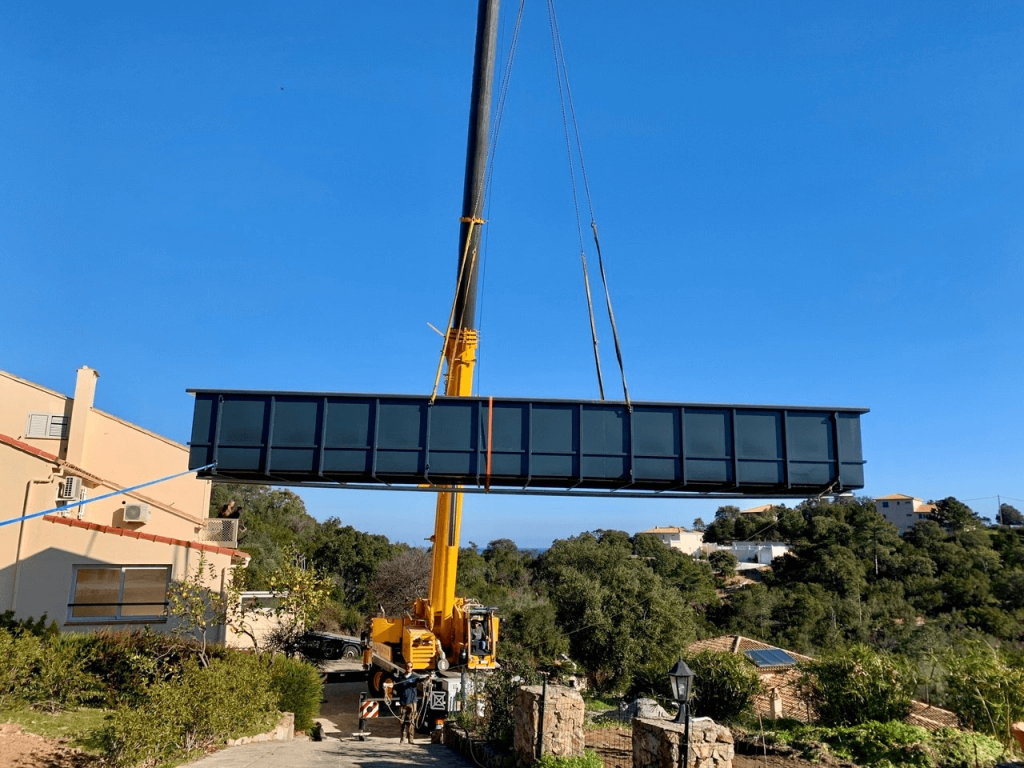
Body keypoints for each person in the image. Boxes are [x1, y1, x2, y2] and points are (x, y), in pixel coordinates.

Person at [393, 661, 421, 744]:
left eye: (411, 667)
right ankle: (402, 738)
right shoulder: (401, 677)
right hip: (403, 702)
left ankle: (411, 739)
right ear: (405, 667)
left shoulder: (415, 677)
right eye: (408, 666)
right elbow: (394, 683)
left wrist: (429, 677)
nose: (409, 668)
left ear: (412, 668)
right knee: (402, 721)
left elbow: (422, 679)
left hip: (412, 702)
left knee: (411, 721)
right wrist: (387, 685)